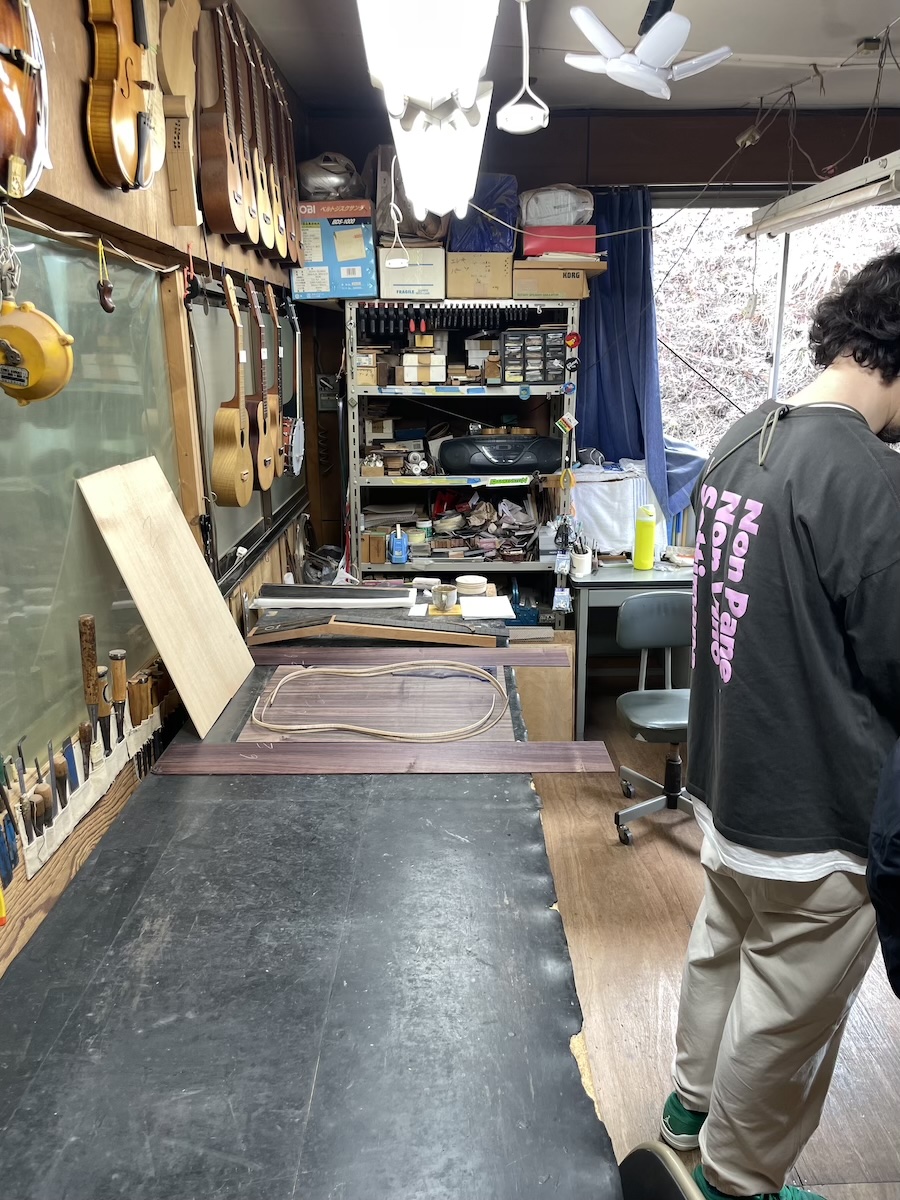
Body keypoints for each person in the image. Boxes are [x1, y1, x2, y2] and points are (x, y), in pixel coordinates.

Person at [659, 251, 900, 1200]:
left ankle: (687, 1111)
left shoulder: (741, 437)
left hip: (729, 785)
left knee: (722, 947)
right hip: (815, 814)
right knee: (788, 1011)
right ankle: (737, 1179)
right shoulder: (866, 479)